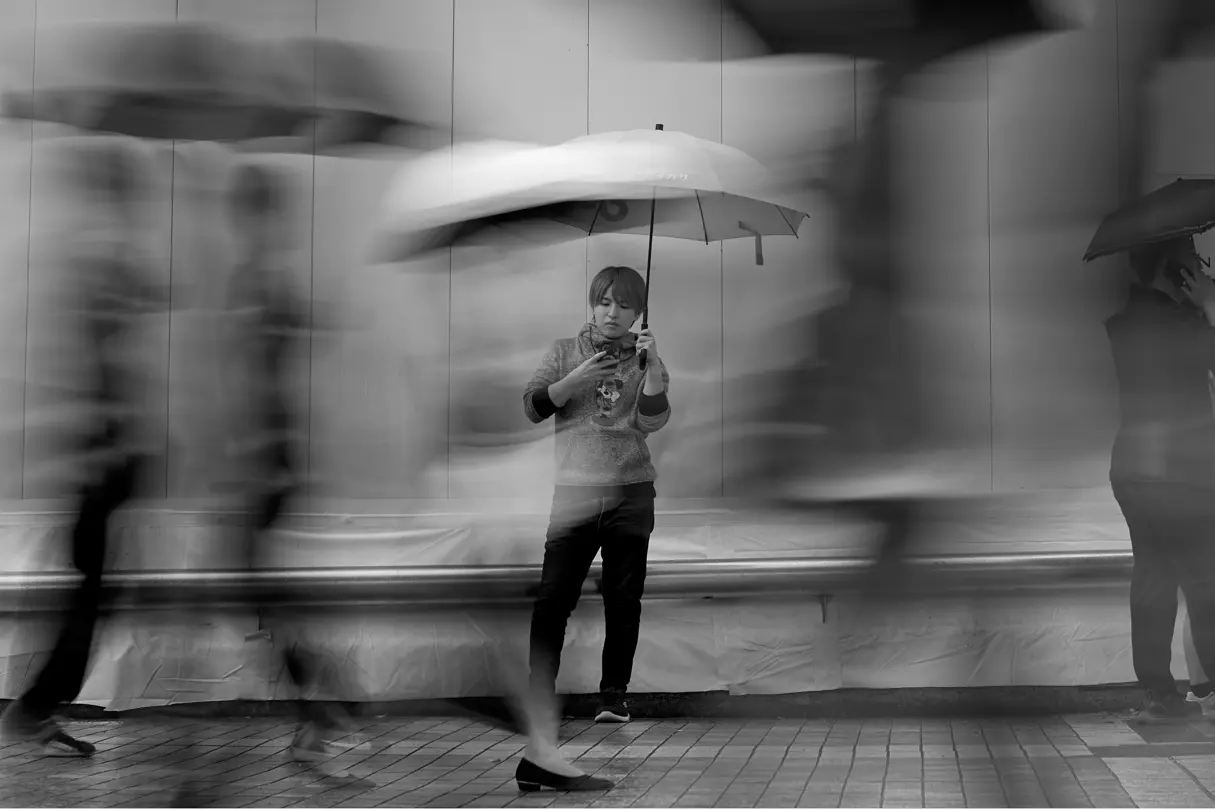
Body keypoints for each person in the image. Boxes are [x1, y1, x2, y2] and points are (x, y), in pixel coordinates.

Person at [1, 139, 164, 756]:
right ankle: (37, 705)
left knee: (92, 590)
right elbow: (100, 355)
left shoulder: (95, 249)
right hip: (105, 449)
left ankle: (40, 705)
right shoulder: (101, 250)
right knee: (91, 591)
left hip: (103, 447)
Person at [516, 264, 670, 791]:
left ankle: (613, 696)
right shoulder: (564, 350)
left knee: (624, 597)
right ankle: (542, 702)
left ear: (638, 312)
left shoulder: (645, 355)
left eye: (625, 305)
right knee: (552, 598)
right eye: (605, 302)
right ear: (592, 303)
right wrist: (574, 380)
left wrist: (657, 379)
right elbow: (533, 407)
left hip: (632, 491)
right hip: (576, 493)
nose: (613, 313)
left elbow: (650, 423)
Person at [1106, 235, 1215, 723]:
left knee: (1154, 577)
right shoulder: (1180, 323)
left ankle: (1159, 692)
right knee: (1205, 579)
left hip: (1135, 466)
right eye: (1194, 256)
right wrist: (1211, 303)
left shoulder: (1129, 319)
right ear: (1174, 269)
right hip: (1180, 470)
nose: (1203, 262)